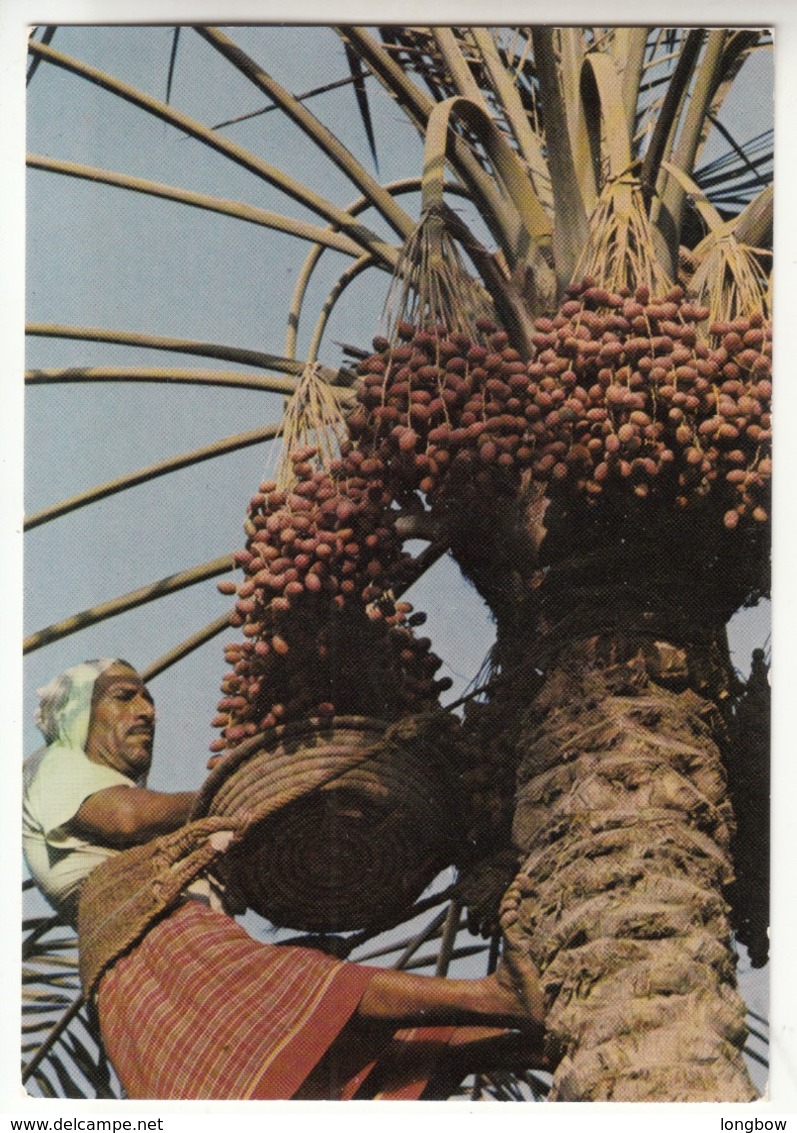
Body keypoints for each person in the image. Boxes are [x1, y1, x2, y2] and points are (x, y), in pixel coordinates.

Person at [23, 658, 548, 1100]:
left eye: (149, 700)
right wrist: (237, 803)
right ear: (75, 715)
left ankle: (518, 1041)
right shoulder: (53, 766)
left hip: (133, 977)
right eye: (124, 696)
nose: (147, 711)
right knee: (311, 991)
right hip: (149, 943)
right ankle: (497, 998)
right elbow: (127, 817)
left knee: (319, 1047)